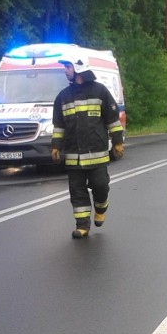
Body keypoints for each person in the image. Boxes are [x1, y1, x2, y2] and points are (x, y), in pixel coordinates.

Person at [51, 51, 124, 239]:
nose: (65, 71)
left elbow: (113, 120)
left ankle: (101, 206)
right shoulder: (63, 97)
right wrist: (56, 146)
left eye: (67, 67)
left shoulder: (100, 91)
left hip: (97, 154)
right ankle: (82, 225)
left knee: (100, 185)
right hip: (73, 157)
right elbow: (59, 126)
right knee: (77, 191)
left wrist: (117, 143)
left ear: (78, 67)